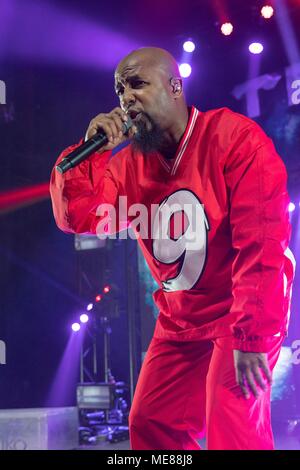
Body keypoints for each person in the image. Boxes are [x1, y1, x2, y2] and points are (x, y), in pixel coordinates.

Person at [50, 47, 295, 450]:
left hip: (240, 311)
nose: (126, 98)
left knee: (233, 426)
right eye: (119, 90)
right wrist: (89, 154)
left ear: (175, 86)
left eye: (137, 84)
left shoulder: (234, 140)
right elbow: (79, 217)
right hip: (182, 318)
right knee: (149, 423)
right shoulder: (128, 164)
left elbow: (263, 244)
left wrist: (251, 337)